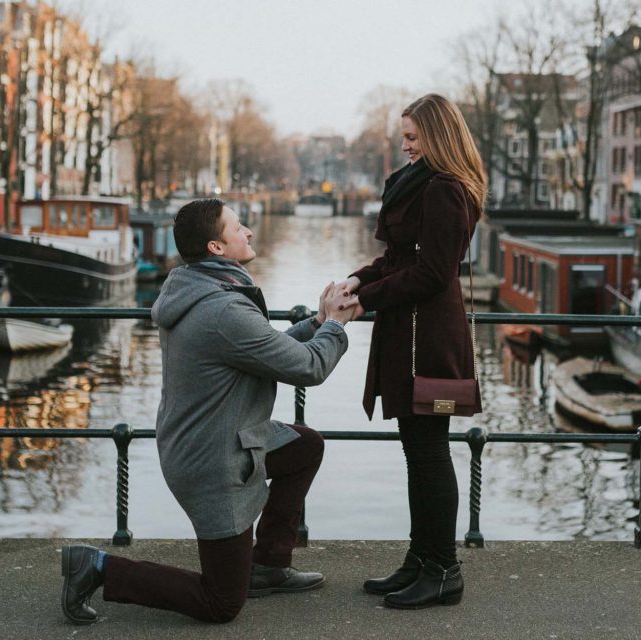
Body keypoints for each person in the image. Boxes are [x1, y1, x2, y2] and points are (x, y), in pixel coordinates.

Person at [60, 199, 359, 625]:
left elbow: (263, 348)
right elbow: (309, 367)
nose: (249, 232)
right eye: (238, 227)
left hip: (213, 438)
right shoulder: (223, 309)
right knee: (221, 602)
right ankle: (98, 567)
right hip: (214, 461)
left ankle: (268, 566)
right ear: (216, 247)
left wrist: (316, 323)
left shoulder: (199, 288)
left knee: (304, 446)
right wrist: (336, 325)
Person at [337, 93, 486, 609]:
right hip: (411, 331)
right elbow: (398, 259)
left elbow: (432, 273)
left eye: (413, 137)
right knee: (416, 451)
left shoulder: (445, 189)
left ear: (438, 137)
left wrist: (367, 300)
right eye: (404, 137)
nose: (405, 146)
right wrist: (357, 279)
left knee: (429, 452)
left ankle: (444, 569)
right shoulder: (419, 184)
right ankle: (420, 559)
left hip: (429, 337)